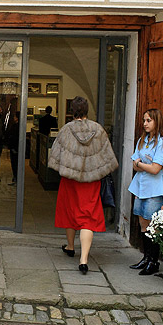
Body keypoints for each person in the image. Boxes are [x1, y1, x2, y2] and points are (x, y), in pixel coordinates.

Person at [48, 97, 118, 275]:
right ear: (87, 110)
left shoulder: (66, 130)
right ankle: (84, 259)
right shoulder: (98, 130)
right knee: (88, 217)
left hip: (70, 180)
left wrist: (66, 167)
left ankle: (71, 246)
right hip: (91, 181)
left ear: (72, 110)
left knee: (70, 211)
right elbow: (108, 158)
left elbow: (55, 157)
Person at [128, 108, 163, 275]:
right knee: (143, 224)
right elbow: (134, 163)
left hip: (155, 190)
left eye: (148, 121)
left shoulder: (162, 144)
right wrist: (141, 164)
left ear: (157, 122)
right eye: (144, 120)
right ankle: (146, 258)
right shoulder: (143, 140)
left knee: (154, 226)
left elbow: (155, 169)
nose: (145, 124)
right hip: (141, 187)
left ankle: (154, 261)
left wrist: (141, 164)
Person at [5, 110, 20, 185]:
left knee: (15, 164)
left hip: (15, 148)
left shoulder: (16, 126)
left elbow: (13, 137)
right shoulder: (18, 126)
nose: (13, 117)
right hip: (15, 147)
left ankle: (16, 179)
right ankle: (15, 178)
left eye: (14, 116)